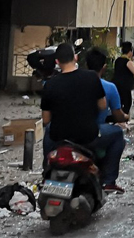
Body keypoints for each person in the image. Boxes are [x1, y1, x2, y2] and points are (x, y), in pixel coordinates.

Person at [40, 43, 125, 194]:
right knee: (118, 134)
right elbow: (102, 105)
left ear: (57, 62)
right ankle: (109, 181)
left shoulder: (50, 84)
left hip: (59, 137)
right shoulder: (91, 77)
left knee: (48, 130)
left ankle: (46, 172)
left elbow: (46, 119)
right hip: (87, 136)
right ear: (76, 57)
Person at [84, 48, 128, 192]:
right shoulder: (108, 87)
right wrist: (126, 117)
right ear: (104, 67)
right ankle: (109, 180)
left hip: (68, 131)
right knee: (118, 134)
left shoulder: (75, 81)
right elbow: (117, 115)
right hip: (94, 132)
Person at [113, 42, 134, 117]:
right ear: (130, 52)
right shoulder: (128, 62)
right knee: (127, 103)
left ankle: (118, 117)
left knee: (120, 102)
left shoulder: (117, 60)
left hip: (116, 84)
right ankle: (124, 117)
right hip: (125, 85)